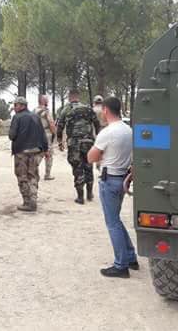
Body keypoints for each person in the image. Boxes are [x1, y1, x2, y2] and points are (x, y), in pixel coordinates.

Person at [87, 96, 138, 278]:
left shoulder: (107, 132)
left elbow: (91, 157)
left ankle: (121, 265)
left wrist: (98, 153)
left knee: (112, 223)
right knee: (116, 220)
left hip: (110, 180)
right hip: (122, 178)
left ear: (106, 110)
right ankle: (131, 257)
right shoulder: (128, 130)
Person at [56, 89, 100, 204]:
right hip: (88, 142)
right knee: (88, 166)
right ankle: (90, 194)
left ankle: (80, 197)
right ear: (78, 97)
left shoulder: (65, 109)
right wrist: (97, 138)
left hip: (74, 143)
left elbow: (59, 127)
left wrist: (60, 142)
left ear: (69, 97)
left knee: (77, 167)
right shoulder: (87, 108)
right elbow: (97, 123)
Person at [9, 96, 49, 212]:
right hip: (36, 151)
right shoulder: (36, 117)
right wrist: (46, 150)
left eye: (16, 105)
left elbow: (11, 136)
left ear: (22, 106)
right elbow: (43, 135)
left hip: (21, 152)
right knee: (33, 175)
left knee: (22, 176)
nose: (14, 107)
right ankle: (34, 199)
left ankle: (27, 202)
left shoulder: (17, 117)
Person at [34, 95, 57, 180]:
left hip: (36, 135)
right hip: (46, 134)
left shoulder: (34, 111)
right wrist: (54, 133)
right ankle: (47, 174)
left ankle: (33, 171)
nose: (48, 102)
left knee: (37, 153)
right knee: (48, 154)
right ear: (43, 101)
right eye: (47, 100)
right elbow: (51, 123)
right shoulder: (46, 111)